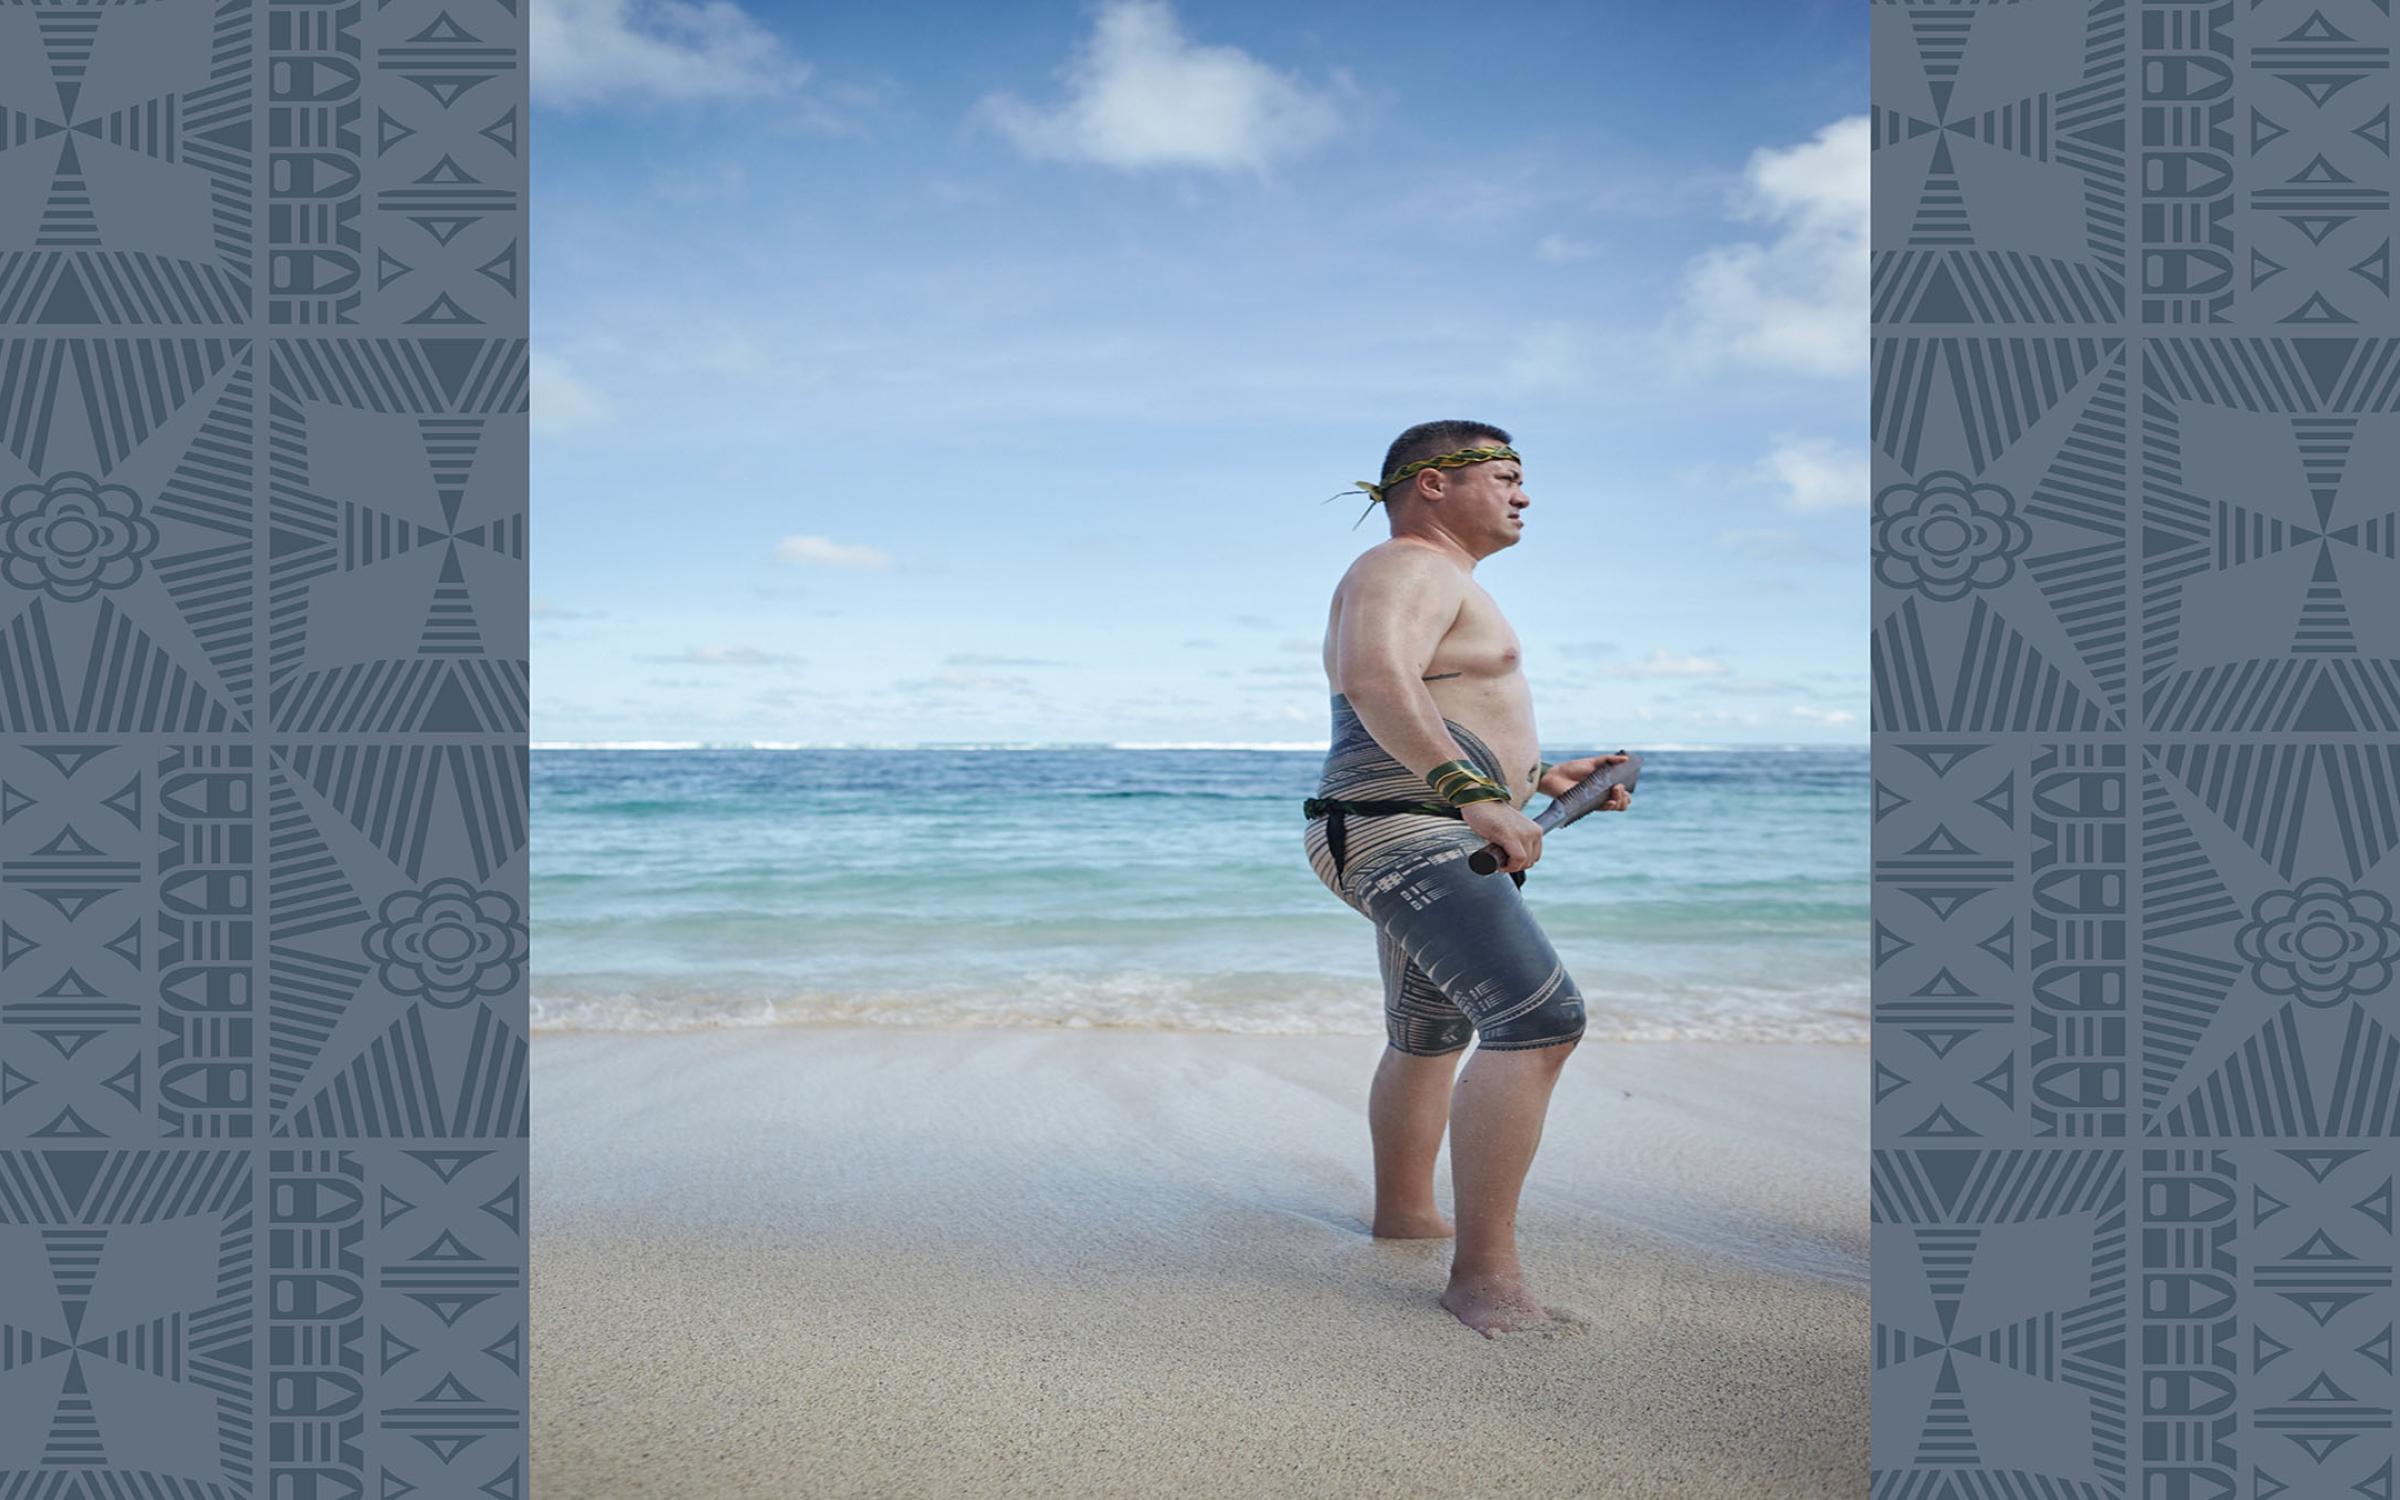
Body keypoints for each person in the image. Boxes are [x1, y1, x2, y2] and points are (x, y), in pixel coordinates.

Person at [1303, 420, 1634, 1337]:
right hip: (1402, 830)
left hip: (1402, 826)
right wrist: (1474, 794)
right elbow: (1377, 679)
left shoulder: (1441, 580)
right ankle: (1484, 1278)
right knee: (1539, 1021)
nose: (1524, 495)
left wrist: (1542, 781)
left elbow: (1443, 703)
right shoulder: (1408, 565)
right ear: (1432, 484)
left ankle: (1405, 1217)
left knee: (1429, 1031)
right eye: (1505, 475)